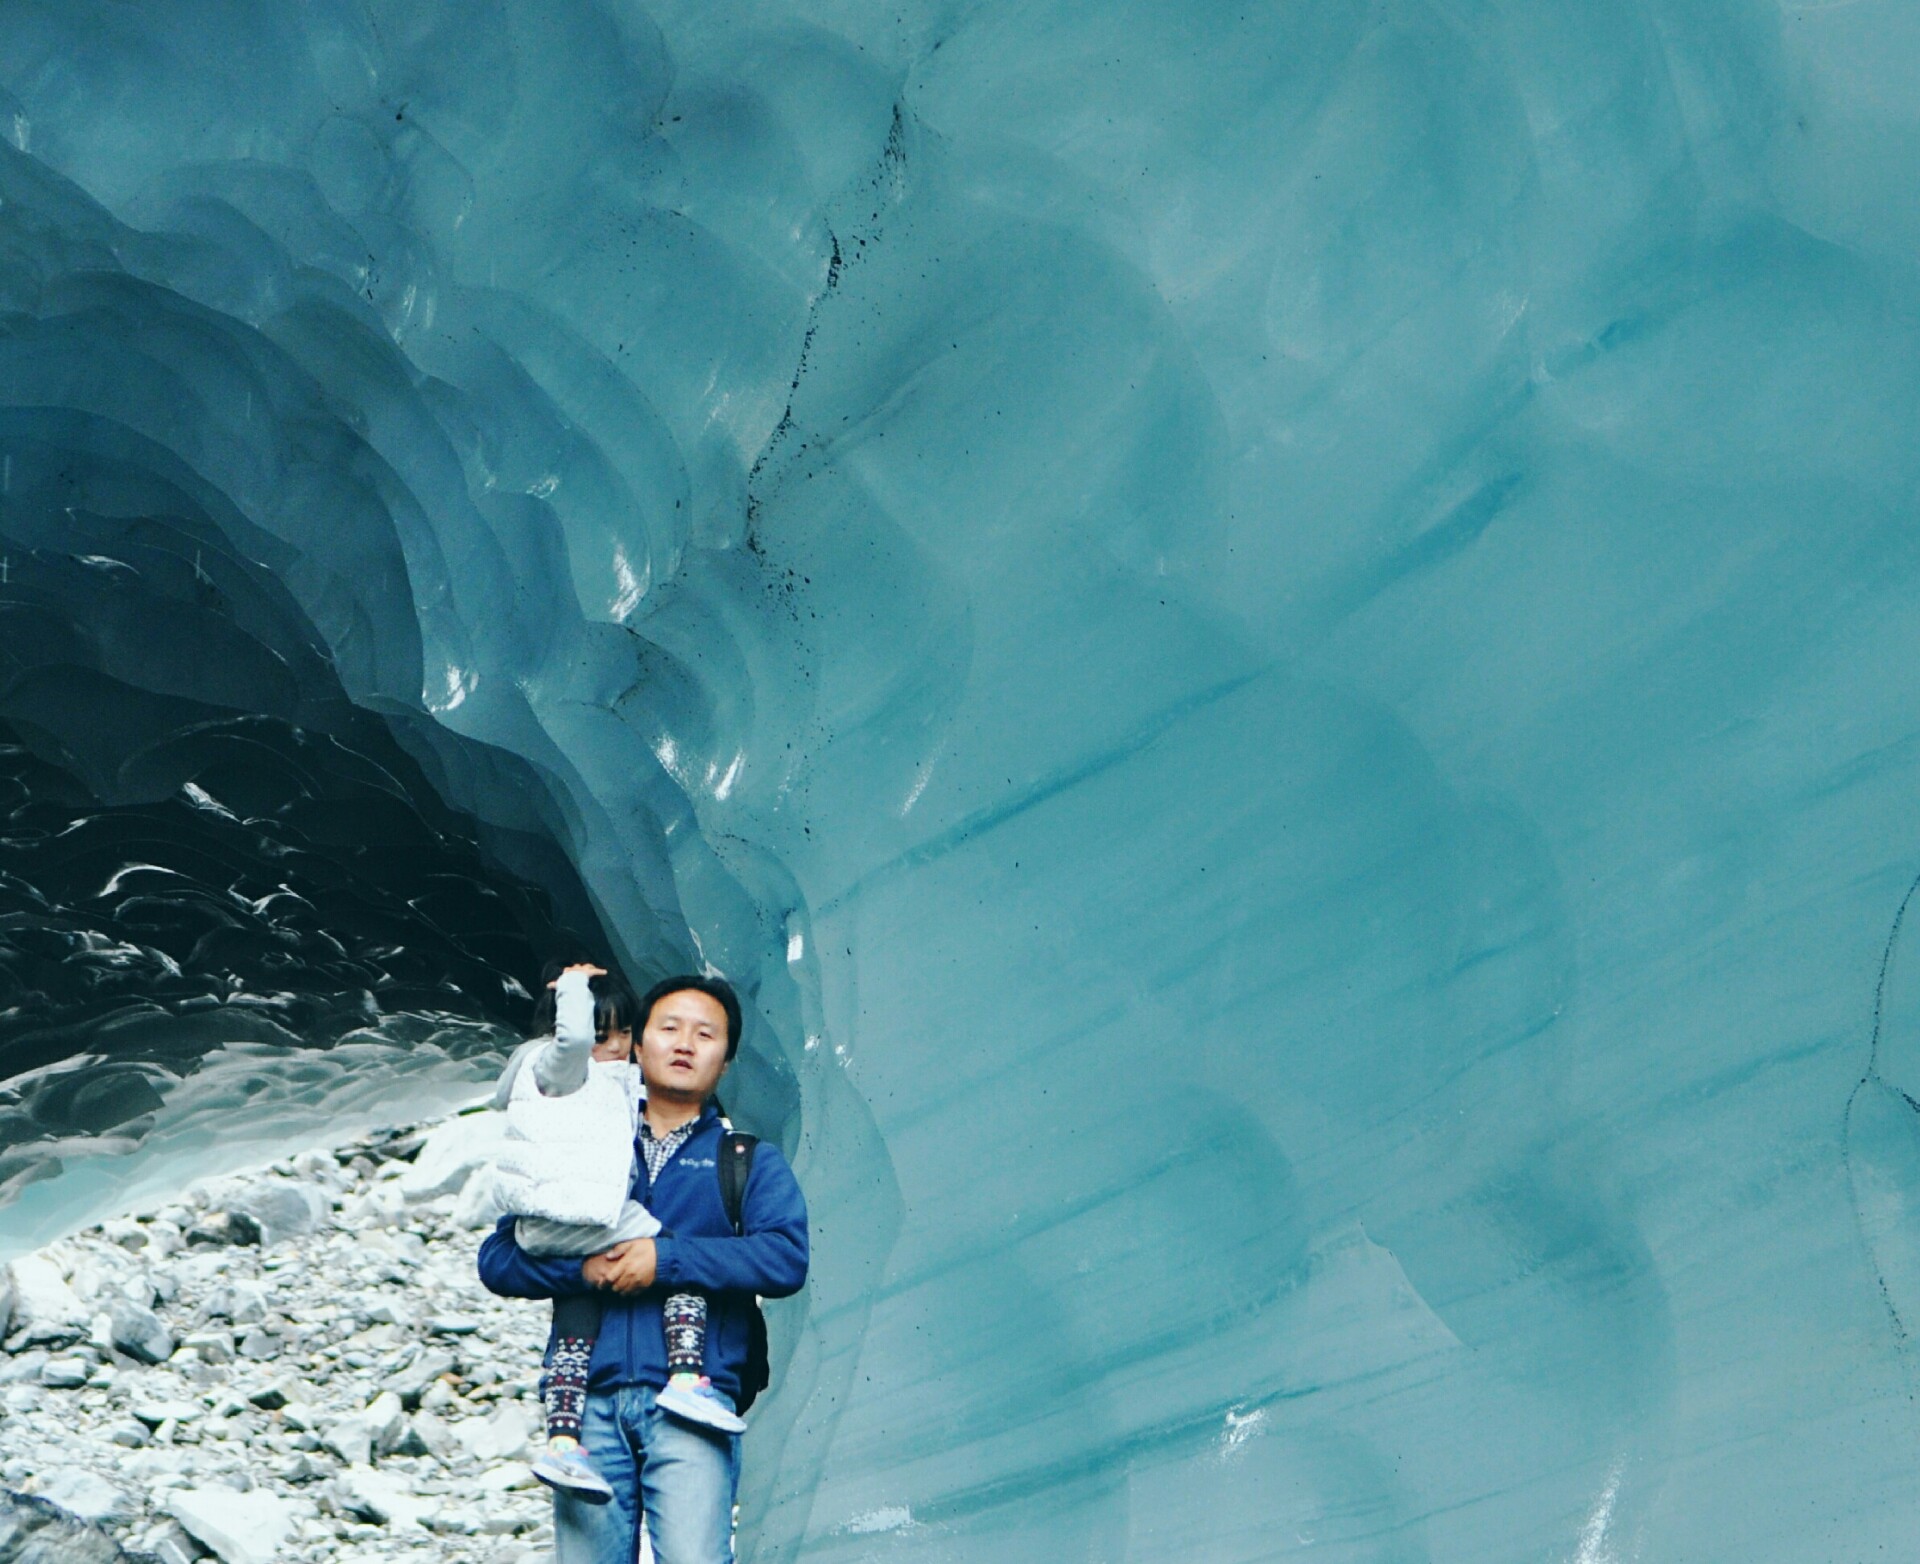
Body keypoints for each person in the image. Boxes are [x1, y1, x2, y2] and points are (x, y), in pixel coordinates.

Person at [479, 972, 810, 1564]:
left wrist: (665, 1259)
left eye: (706, 1034)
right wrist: (584, 1271)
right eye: (669, 1028)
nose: (685, 1043)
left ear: (726, 1062)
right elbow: (500, 1258)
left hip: (695, 1402)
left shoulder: (745, 1161)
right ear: (637, 1045)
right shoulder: (581, 1143)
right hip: (585, 1406)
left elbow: (785, 1257)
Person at [489, 963, 747, 1507]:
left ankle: (561, 1442)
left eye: (624, 1035)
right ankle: (686, 1378)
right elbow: (495, 1259)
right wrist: (574, 989)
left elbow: (784, 1257)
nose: (612, 1048)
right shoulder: (564, 1069)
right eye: (601, 1035)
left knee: (577, 1325)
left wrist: (581, 1274)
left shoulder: (603, 1091)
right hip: (578, 1215)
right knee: (671, 1247)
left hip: (552, 1226)